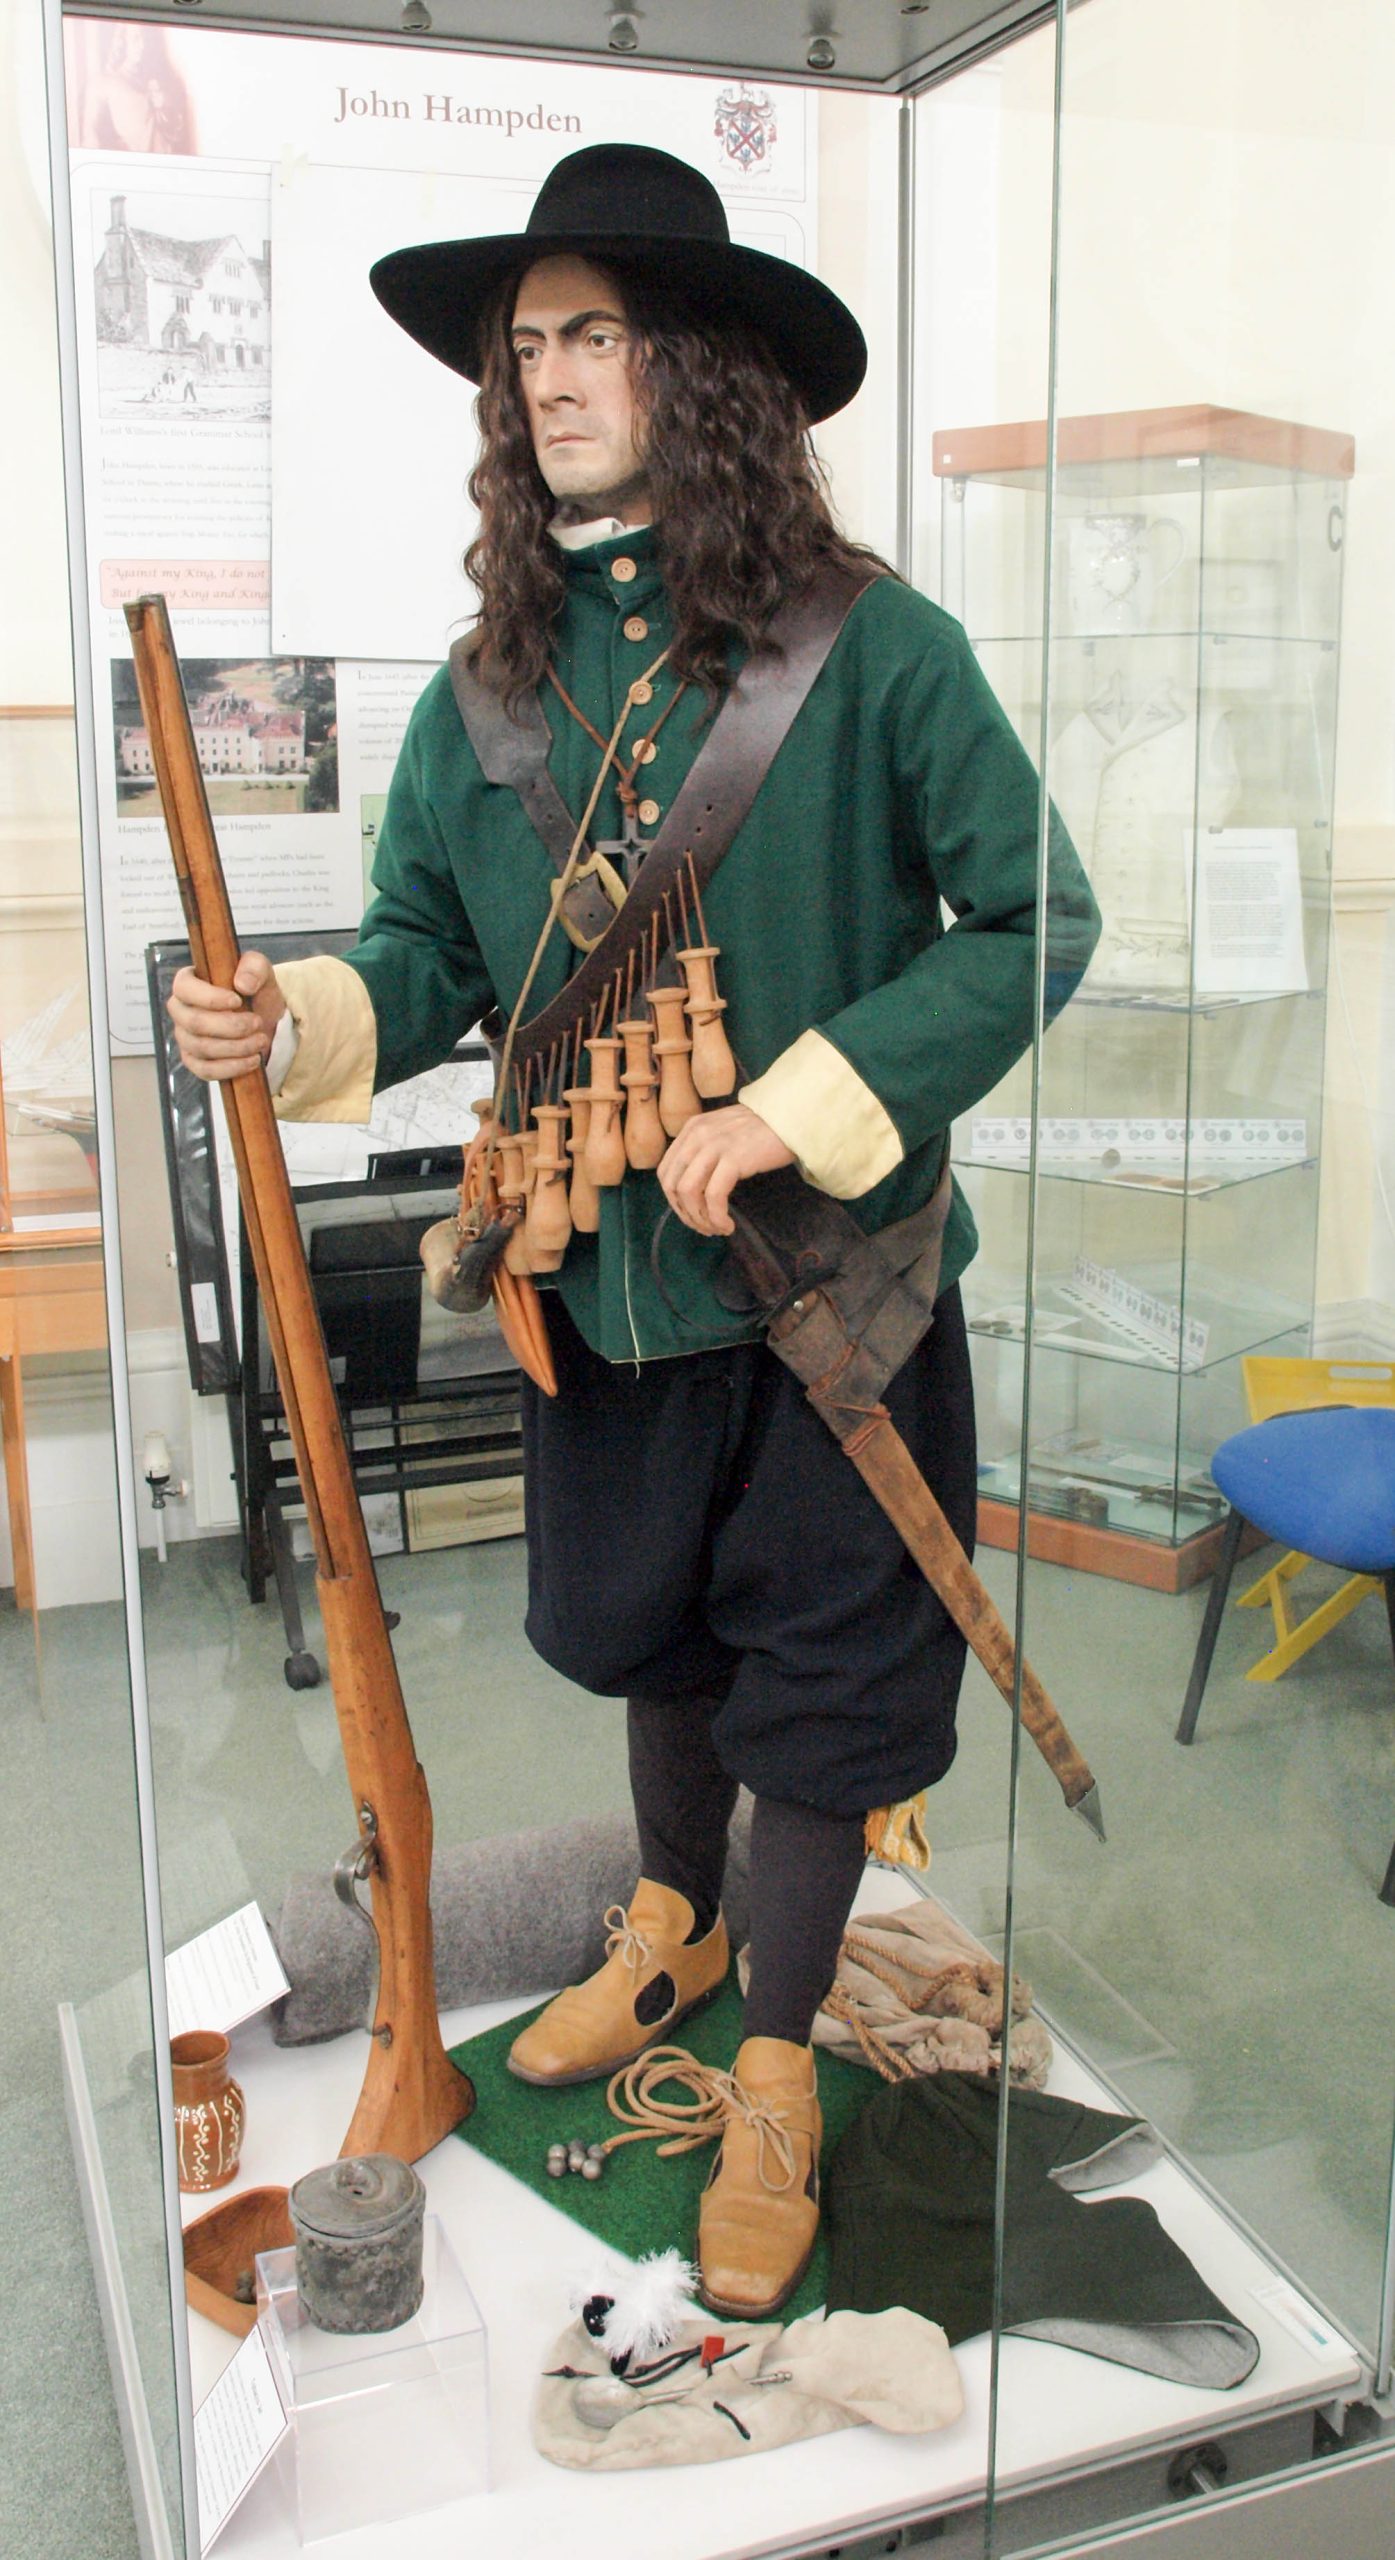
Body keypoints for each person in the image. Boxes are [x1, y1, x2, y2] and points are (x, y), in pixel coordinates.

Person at [169, 142, 1099, 2319]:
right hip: (605, 1290)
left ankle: (773, 2064)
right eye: (530, 345)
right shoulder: (484, 691)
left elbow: (1036, 916)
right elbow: (424, 952)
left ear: (702, 369)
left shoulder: (875, 650)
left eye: (595, 333)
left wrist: (804, 1098)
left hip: (835, 1299)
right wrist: (296, 1014)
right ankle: (668, 1922)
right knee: (647, 1633)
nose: (550, 375)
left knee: (822, 1690)